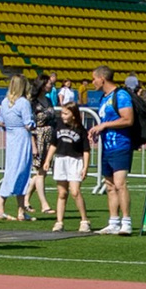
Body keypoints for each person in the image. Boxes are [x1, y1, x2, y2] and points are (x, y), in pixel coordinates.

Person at [92, 65, 138, 236]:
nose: (93, 82)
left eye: (94, 78)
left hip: (120, 144)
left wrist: (105, 125)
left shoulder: (121, 95)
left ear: (102, 78)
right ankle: (113, 221)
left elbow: (128, 119)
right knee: (110, 185)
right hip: (106, 146)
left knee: (120, 184)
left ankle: (126, 221)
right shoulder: (104, 98)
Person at [44, 87, 92, 232]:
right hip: (60, 160)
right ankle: (59, 222)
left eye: (66, 113)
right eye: (62, 113)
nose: (63, 115)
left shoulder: (80, 130)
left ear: (73, 115)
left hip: (75, 161)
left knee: (75, 192)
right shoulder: (58, 125)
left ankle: (84, 220)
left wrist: (85, 167)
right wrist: (48, 160)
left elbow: (86, 150)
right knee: (62, 193)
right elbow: (53, 144)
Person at [0, 75, 36, 221]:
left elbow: (0, 121)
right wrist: (35, 126)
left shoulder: (5, 102)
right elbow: (28, 123)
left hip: (11, 137)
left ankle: (16, 210)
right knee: (21, 172)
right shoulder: (23, 102)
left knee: (14, 170)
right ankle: (8, 209)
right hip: (21, 138)